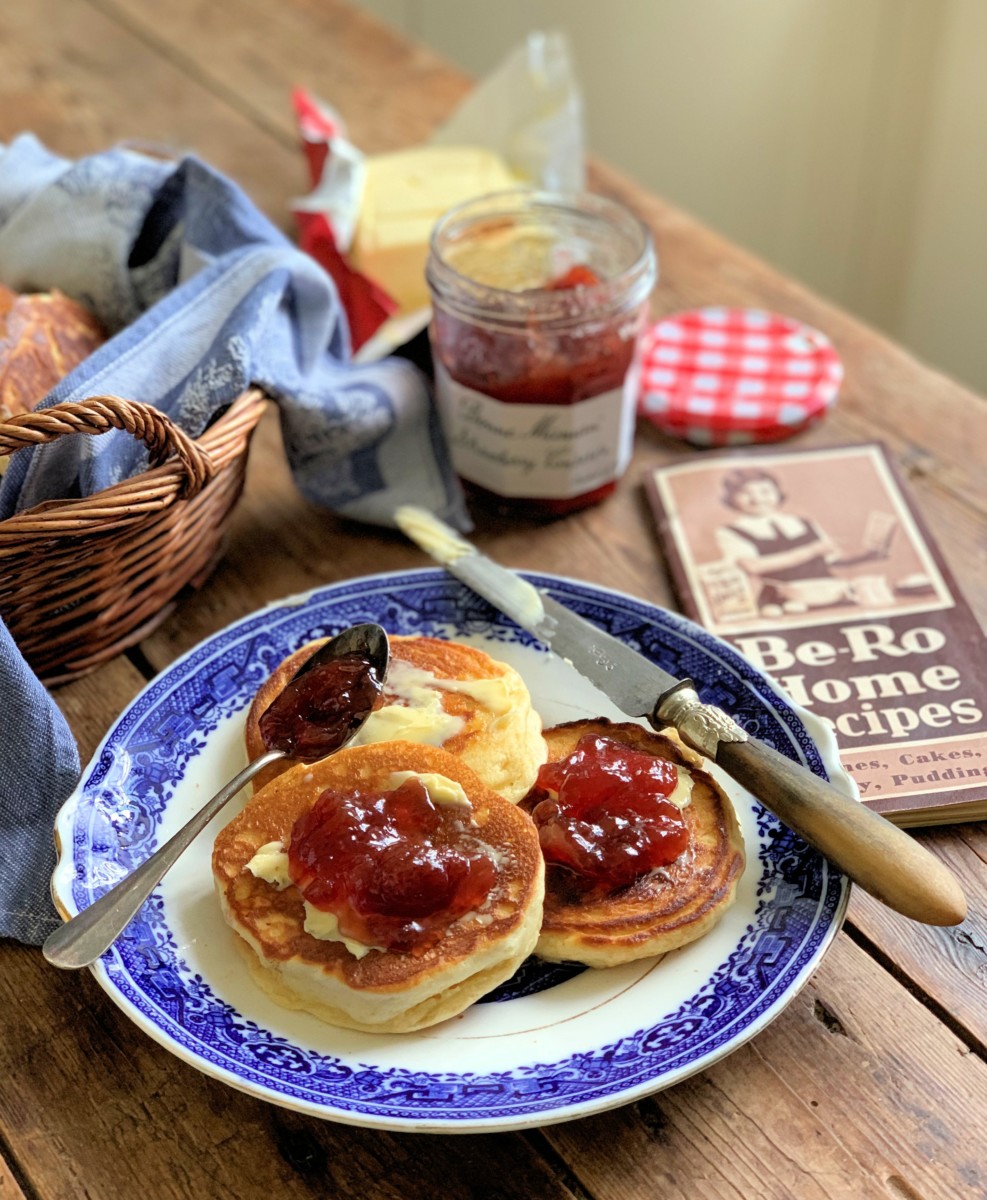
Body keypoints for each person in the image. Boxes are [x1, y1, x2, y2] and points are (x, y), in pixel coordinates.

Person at [714, 468, 880, 616]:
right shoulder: (731, 532)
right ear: (731, 498)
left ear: (777, 493)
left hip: (828, 593)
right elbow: (753, 566)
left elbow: (831, 560)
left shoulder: (804, 522)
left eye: (765, 491)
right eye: (746, 493)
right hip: (782, 599)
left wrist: (867, 556)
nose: (757, 499)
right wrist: (813, 550)